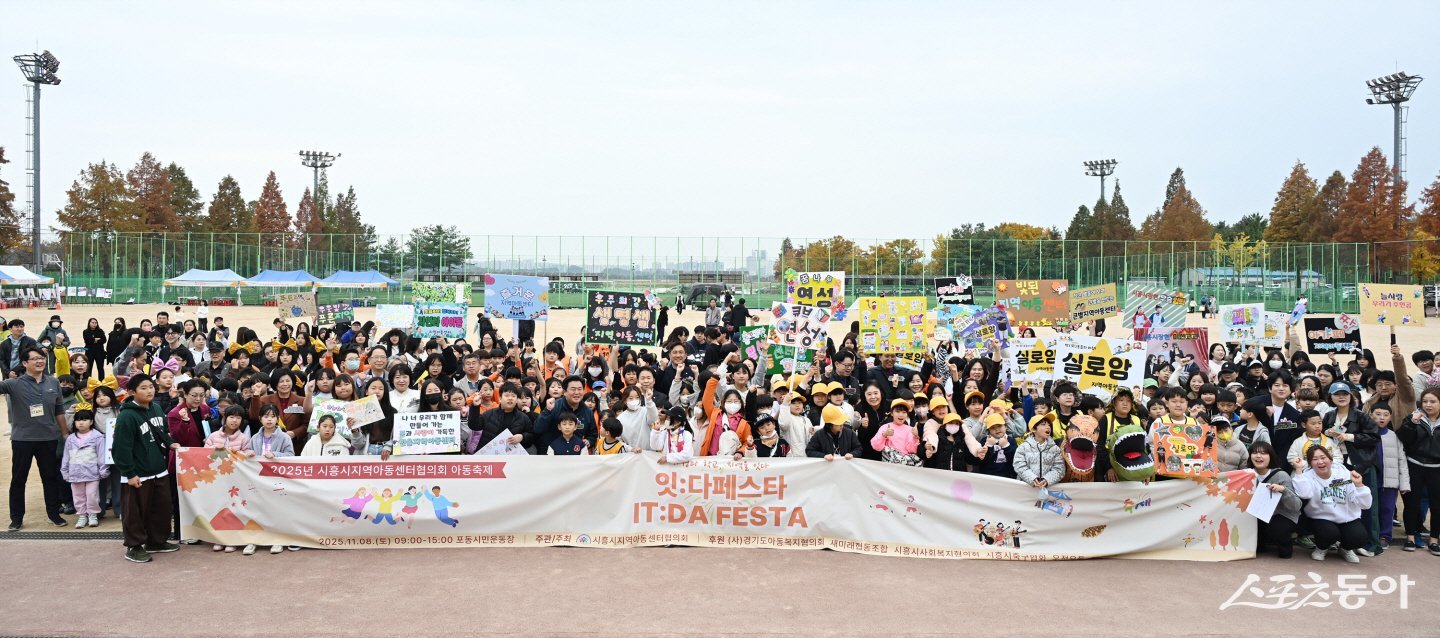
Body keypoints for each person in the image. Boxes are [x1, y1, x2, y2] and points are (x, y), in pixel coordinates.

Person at [111, 374, 181, 563]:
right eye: (143, 388)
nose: (149, 390)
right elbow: (120, 448)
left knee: (161, 508)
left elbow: (163, 432)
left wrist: (170, 443)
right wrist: (129, 473)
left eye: (151, 387)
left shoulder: (156, 408)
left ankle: (156, 541)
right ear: (132, 392)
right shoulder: (127, 416)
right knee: (135, 512)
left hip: (159, 469)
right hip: (137, 474)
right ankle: (134, 546)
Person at [4, 345, 70, 530]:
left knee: (50, 477)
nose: (40, 361)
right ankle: (16, 519)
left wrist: (64, 432)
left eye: (42, 358)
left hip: (48, 438)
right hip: (22, 440)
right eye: (35, 359)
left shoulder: (53, 382)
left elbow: (59, 409)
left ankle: (54, 514)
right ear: (25, 363)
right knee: (19, 479)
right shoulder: (14, 384)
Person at [1291, 445, 1372, 563]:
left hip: (1347, 518)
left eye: (1323, 457)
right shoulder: (1307, 476)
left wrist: (1359, 485)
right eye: (1314, 459)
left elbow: (1366, 505)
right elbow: (1304, 494)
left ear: (1330, 459)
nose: (1320, 462)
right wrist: (1298, 469)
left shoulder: (1345, 475)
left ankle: (1345, 549)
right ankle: (1321, 548)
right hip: (1321, 518)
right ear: (1310, 464)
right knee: (1328, 533)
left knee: (1359, 537)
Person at [1396, 387, 1440, 555]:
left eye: (1433, 401)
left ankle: (1434, 540)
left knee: (1437, 505)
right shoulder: (1415, 417)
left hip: (1437, 468)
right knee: (1411, 503)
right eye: (1425, 401)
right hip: (1414, 464)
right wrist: (1412, 423)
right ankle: (1410, 538)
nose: (1428, 405)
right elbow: (1402, 437)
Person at [1249, 441, 1300, 559]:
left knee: (1279, 532)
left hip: (1281, 514)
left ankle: (1286, 543)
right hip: (1257, 514)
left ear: (1270, 456)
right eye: (1254, 453)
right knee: (1258, 549)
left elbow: (1296, 506)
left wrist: (1283, 490)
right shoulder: (1247, 474)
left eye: (1263, 453)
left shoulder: (1281, 475)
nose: (1258, 456)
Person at [61, 409, 108, 529]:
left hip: (92, 473)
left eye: (85, 420)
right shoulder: (71, 439)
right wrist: (65, 471)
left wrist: (103, 470)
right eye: (78, 420)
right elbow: (66, 456)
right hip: (75, 474)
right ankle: (82, 515)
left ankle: (93, 515)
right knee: (78, 496)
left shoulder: (97, 437)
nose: (81, 423)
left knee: (92, 495)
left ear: (91, 421)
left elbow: (102, 455)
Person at [1372, 403, 1408, 550]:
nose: (1382, 417)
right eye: (1378, 414)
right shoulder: (1366, 433)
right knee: (1369, 508)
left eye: (1386, 415)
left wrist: (1404, 484)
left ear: (1390, 417)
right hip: (1371, 480)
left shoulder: (1394, 436)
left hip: (1389, 480)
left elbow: (1402, 460)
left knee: (1387, 509)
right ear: (1371, 414)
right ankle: (1370, 535)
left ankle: (1384, 536)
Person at [1015, 413, 1063, 489]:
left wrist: (1047, 480)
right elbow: (1019, 466)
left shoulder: (1055, 449)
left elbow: (1059, 469)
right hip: (1026, 489)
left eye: (1049, 425)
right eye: (1043, 424)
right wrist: (1032, 479)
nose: (1048, 427)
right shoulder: (1023, 447)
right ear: (1034, 429)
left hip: (1049, 489)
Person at [871, 398, 920, 465]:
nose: (901, 415)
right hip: (889, 464)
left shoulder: (910, 429)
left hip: (906, 465)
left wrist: (915, 437)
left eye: (904, 412)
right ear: (891, 413)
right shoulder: (885, 427)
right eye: (897, 411)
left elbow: (912, 450)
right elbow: (876, 446)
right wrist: (884, 435)